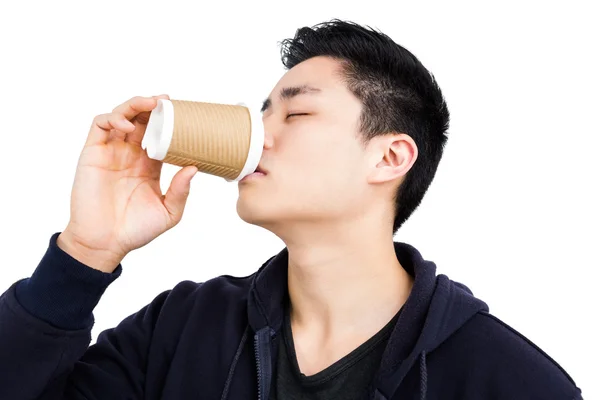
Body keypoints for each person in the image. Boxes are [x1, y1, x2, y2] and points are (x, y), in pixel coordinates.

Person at [0, 20, 582, 400]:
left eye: (296, 114)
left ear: (389, 157)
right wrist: (84, 254)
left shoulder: (510, 380)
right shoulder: (180, 330)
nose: (259, 137)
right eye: (260, 114)